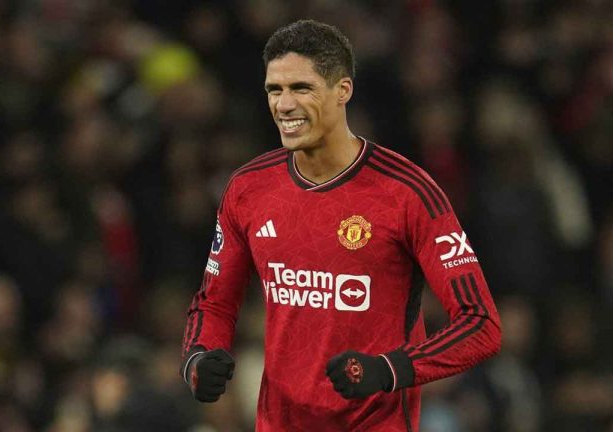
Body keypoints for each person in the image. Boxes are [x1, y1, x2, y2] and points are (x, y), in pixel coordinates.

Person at [180, 19, 501, 431]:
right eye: (274, 90)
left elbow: (480, 323)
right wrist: (198, 358)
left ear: (342, 90)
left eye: (301, 88)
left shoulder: (406, 193)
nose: (284, 105)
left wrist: (389, 369)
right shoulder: (249, 189)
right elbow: (213, 302)